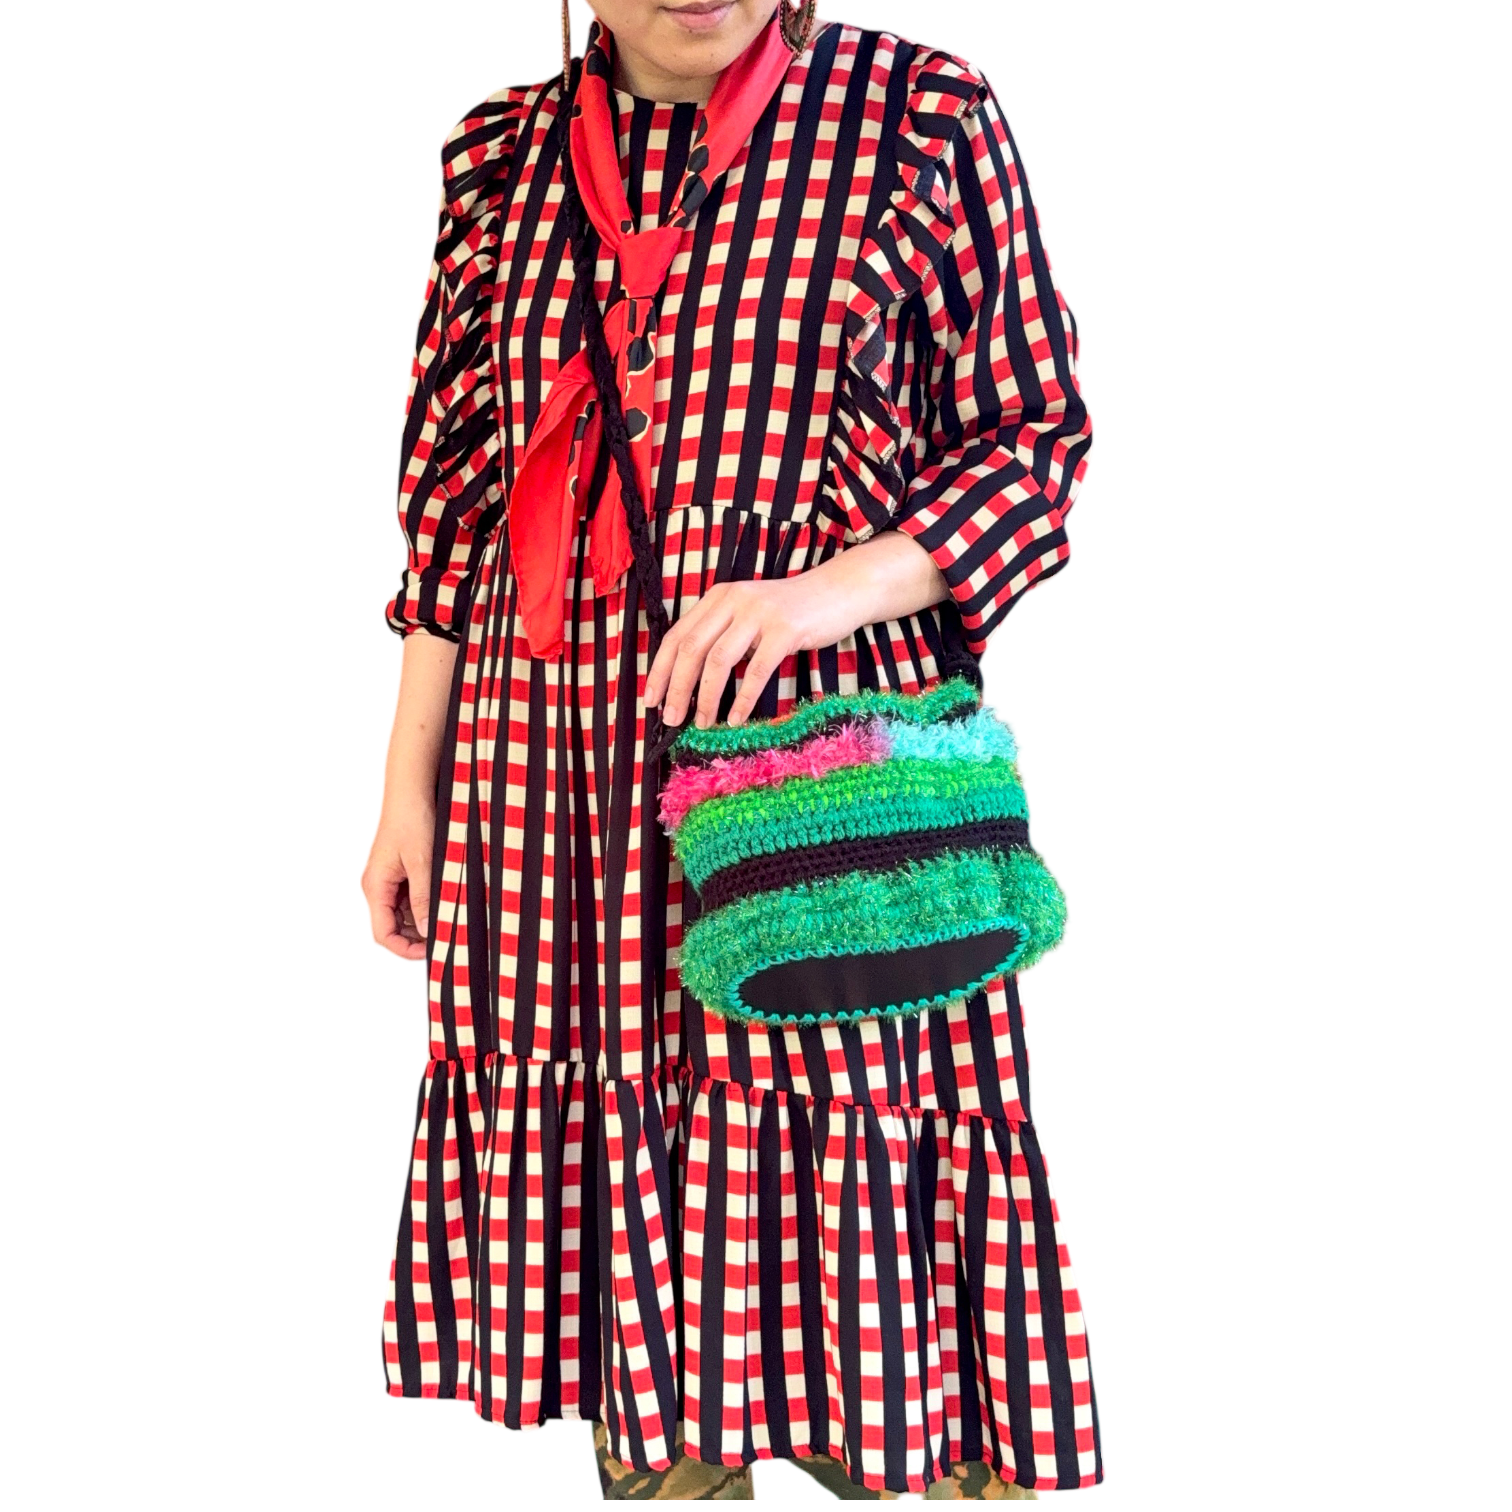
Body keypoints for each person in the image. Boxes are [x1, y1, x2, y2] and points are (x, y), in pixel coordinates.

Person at [365, 1, 1102, 1499]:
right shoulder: (497, 154)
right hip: (546, 772)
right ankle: (670, 1451)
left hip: (815, 762)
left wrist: (815, 595)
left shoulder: (920, 114)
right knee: (643, 1339)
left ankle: (893, 1447)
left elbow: (1037, 445)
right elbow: (449, 501)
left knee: (868, 1192)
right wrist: (403, 788)